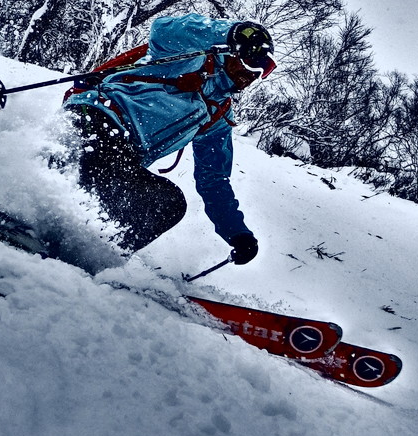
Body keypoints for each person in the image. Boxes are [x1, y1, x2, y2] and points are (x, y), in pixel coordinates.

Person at [61, 13, 275, 263]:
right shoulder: (188, 56)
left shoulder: (218, 115)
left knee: (166, 205)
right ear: (234, 52)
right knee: (98, 168)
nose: (255, 74)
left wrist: (238, 233)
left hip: (123, 156)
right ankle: (64, 243)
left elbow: (213, 180)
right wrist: (231, 31)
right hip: (97, 117)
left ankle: (89, 256)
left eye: (265, 69)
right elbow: (162, 29)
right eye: (254, 62)